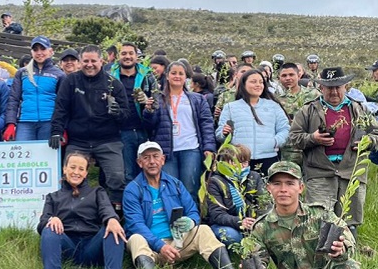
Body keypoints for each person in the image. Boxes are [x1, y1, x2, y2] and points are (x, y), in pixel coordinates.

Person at [236, 161, 361, 269]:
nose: (283, 189)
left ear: (300, 187)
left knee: (347, 266)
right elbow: (258, 260)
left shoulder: (321, 214)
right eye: (277, 183)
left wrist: (341, 249)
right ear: (268, 188)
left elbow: (347, 239)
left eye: (290, 183)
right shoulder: (262, 226)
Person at [287, 67, 378, 243]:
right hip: (319, 172)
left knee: (350, 219)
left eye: (338, 86)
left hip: (352, 172)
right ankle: (321, 259)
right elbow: (293, 138)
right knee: (319, 218)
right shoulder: (308, 110)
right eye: (329, 87)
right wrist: (313, 138)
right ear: (321, 88)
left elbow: (377, 134)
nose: (334, 91)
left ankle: (348, 257)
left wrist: (368, 142)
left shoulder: (359, 109)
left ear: (346, 86)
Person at [123, 142, 236, 269]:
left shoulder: (176, 184)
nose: (152, 161)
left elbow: (193, 211)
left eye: (155, 156)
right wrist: (160, 246)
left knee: (203, 230)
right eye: (146, 158)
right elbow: (136, 225)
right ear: (139, 163)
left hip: (177, 245)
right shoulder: (132, 189)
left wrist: (191, 221)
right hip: (150, 248)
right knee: (135, 239)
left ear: (162, 160)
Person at [50, 45, 129, 207]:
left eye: (94, 61)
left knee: (117, 177)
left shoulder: (113, 84)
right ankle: (71, 210)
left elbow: (126, 115)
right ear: (80, 62)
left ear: (102, 61)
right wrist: (56, 131)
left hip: (107, 139)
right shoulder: (70, 81)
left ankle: (116, 213)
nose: (89, 64)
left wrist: (117, 112)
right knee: (71, 176)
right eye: (86, 61)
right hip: (79, 140)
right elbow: (61, 109)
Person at [37, 152, 126, 269]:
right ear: (64, 169)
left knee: (113, 226)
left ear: (85, 173)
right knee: (49, 228)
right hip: (67, 247)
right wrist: (51, 219)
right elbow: (41, 225)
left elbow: (106, 209)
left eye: (81, 169)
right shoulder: (52, 197)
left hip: (93, 247)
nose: (76, 172)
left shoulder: (97, 192)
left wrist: (112, 219)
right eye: (72, 167)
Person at [145, 62, 215, 200]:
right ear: (167, 76)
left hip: (191, 149)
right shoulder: (158, 98)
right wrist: (149, 111)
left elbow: (206, 124)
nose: (177, 76)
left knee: (190, 188)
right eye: (174, 73)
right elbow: (149, 126)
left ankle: (192, 220)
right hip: (166, 151)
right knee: (169, 190)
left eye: (181, 73)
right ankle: (173, 220)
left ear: (186, 78)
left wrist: (209, 147)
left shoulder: (197, 99)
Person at [217, 69, 290, 175]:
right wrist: (224, 133)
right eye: (253, 82)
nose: (258, 85)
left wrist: (274, 142)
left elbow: (285, 129)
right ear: (243, 84)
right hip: (238, 161)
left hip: (268, 158)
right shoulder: (231, 107)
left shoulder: (273, 106)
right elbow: (219, 135)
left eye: (261, 82)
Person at [110, 42, 159, 183]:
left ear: (136, 56)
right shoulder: (110, 76)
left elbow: (156, 104)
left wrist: (149, 105)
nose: (127, 56)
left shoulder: (148, 76)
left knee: (147, 171)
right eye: (124, 53)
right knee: (127, 173)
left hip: (144, 129)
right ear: (119, 56)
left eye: (130, 53)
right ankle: (129, 203)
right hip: (120, 130)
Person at [205, 144, 268, 247]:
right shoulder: (215, 181)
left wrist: (258, 222)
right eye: (236, 162)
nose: (242, 166)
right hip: (228, 224)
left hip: (253, 223)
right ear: (225, 162)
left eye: (245, 162)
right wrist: (240, 222)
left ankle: (254, 240)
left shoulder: (254, 176)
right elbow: (217, 214)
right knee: (230, 235)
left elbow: (264, 203)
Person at [4, 36, 64, 142]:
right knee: (23, 157)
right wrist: (10, 123)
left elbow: (63, 104)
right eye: (35, 49)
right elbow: (13, 99)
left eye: (43, 49)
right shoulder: (21, 73)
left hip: (49, 122)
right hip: (25, 122)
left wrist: (62, 128)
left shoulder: (59, 75)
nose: (39, 52)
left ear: (50, 51)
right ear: (31, 52)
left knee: (47, 157)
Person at [277, 62, 321, 166]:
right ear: (279, 78)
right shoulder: (276, 100)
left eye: (291, 75)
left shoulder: (313, 95)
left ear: (299, 75)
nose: (288, 78)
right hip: (287, 151)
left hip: (311, 146)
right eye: (284, 75)